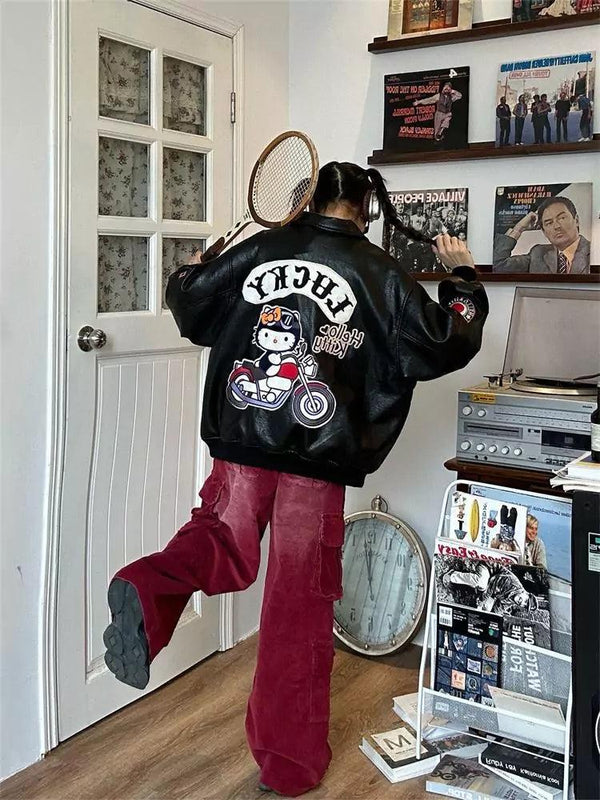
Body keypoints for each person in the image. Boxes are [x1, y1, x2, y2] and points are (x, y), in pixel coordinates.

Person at [102, 161, 487, 797]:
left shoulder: (259, 249)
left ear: (309, 199)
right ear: (366, 209)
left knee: (220, 540)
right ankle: (288, 766)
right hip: (318, 459)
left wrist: (190, 273)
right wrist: (463, 276)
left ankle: (147, 589)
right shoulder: (380, 272)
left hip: (242, 438)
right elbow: (444, 340)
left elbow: (191, 307)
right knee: (296, 605)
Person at [493, 194, 591, 273]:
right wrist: (519, 229)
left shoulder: (594, 251)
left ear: (576, 220)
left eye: (562, 218)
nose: (557, 226)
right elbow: (498, 265)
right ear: (544, 232)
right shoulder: (538, 254)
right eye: (549, 223)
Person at [442, 562, 538, 616]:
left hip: (490, 587)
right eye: (526, 601)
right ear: (526, 593)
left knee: (487, 609)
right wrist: (481, 602)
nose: (522, 603)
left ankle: (466, 592)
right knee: (481, 583)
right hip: (488, 568)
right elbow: (492, 583)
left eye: (524, 605)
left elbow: (499, 608)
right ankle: (452, 575)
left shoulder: (513, 600)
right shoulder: (512, 583)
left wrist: (491, 618)